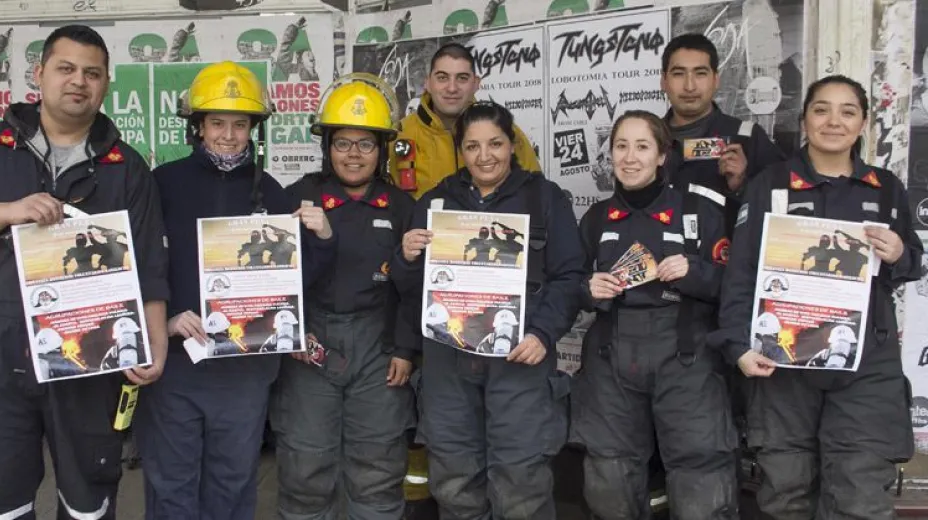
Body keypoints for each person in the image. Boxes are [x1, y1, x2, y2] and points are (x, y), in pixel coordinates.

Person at [0, 24, 170, 520]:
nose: (77, 81)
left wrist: (153, 345)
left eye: (92, 73)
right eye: (65, 69)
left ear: (107, 83)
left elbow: (149, 263)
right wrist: (5, 211)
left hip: (88, 357)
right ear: (39, 74)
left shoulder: (126, 168)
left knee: (89, 500)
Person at [711, 75, 922, 519]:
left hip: (865, 365)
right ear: (805, 119)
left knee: (860, 496)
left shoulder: (885, 189)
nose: (834, 121)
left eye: (848, 111)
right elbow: (740, 273)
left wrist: (901, 252)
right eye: (821, 109)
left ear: (863, 122)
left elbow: (912, 263)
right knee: (785, 493)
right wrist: (737, 347)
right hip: (785, 362)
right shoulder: (769, 185)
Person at [135, 60, 336, 520]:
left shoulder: (272, 193)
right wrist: (163, 322)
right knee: (172, 485)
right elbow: (139, 263)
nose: (228, 134)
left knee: (233, 484)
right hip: (178, 369)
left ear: (254, 129)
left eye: (240, 124)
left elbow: (295, 282)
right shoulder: (161, 184)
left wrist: (323, 240)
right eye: (217, 122)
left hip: (245, 372)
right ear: (198, 126)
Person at [393, 101, 584, 519]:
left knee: (521, 483)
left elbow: (570, 276)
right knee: (455, 480)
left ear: (511, 144)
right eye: (473, 146)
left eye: (495, 144)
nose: (485, 156)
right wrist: (406, 257)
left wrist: (543, 334)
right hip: (449, 362)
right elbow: (409, 290)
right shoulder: (435, 202)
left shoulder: (545, 198)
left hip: (519, 359)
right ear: (460, 149)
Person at [571, 110, 737, 519]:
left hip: (686, 355)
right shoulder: (595, 219)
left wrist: (694, 272)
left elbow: (736, 289)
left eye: (642, 146)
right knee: (610, 476)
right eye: (621, 146)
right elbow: (565, 285)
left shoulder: (698, 214)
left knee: (702, 474)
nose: (630, 157)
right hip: (612, 358)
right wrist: (586, 290)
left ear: (663, 155)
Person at [272, 72, 418, 520]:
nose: (353, 156)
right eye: (343, 143)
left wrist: (407, 349)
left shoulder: (403, 206)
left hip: (380, 348)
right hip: (310, 346)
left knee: (376, 468)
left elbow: (413, 289)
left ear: (381, 149)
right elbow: (271, 279)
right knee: (304, 464)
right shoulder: (297, 199)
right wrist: (290, 332)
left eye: (365, 144)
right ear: (326, 146)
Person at [660, 34, 785, 233]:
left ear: (716, 80)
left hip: (725, 262)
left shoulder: (746, 137)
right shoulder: (647, 141)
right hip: (661, 260)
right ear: (663, 81)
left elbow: (782, 216)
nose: (689, 86)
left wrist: (741, 185)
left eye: (700, 73)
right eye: (678, 74)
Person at [389, 43, 541, 199]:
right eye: (442, 77)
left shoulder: (505, 133)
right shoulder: (399, 135)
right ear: (427, 83)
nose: (452, 88)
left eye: (462, 78)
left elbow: (536, 195)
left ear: (476, 83)